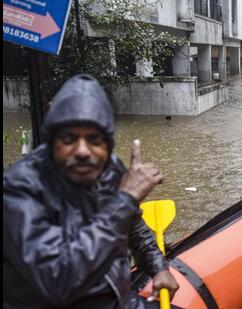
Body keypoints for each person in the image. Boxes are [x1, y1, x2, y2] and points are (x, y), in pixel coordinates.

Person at [3, 74, 179, 308]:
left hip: (117, 299)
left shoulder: (111, 170)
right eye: (69, 139)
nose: (83, 151)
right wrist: (125, 200)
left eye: (94, 140)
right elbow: (56, 280)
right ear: (51, 143)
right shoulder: (19, 188)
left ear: (107, 145)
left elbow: (134, 227)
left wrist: (158, 266)